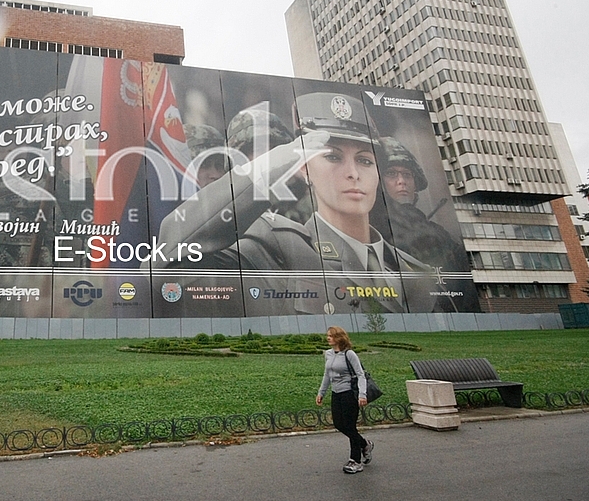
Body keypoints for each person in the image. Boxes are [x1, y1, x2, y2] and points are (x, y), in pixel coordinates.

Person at [155, 91, 434, 313]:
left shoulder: (421, 272)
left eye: (365, 160)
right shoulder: (273, 245)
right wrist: (270, 166)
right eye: (333, 156)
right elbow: (167, 271)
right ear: (303, 168)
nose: (353, 173)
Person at [371, 136, 472, 275]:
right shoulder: (371, 227)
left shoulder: (438, 233)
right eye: (391, 173)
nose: (401, 181)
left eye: (407, 175)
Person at [316, 325, 373, 473]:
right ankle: (364, 444)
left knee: (350, 426)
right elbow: (327, 375)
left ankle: (355, 461)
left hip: (349, 393)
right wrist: (321, 392)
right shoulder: (328, 354)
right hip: (336, 393)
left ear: (339, 338)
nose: (328, 338)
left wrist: (362, 395)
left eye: (331, 336)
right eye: (327, 335)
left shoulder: (350, 354)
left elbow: (360, 375)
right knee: (339, 424)